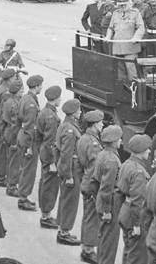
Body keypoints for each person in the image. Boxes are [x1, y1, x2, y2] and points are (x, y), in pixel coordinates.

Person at [116, 134, 152, 264]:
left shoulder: (127, 164)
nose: (149, 151)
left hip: (125, 212)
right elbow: (137, 201)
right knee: (136, 256)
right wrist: (137, 224)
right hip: (134, 216)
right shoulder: (139, 172)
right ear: (141, 151)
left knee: (129, 251)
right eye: (147, 148)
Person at [77, 110, 105, 264]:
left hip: (86, 182)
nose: (102, 124)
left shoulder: (83, 138)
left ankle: (86, 247)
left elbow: (79, 165)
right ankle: (88, 250)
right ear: (94, 125)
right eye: (100, 122)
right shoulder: (93, 143)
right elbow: (95, 168)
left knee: (88, 216)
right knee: (92, 218)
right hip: (92, 185)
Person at [94, 125, 124, 264]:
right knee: (109, 240)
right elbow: (107, 187)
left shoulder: (103, 154)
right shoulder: (112, 160)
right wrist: (107, 210)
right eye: (119, 138)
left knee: (104, 237)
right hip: (110, 204)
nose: (120, 141)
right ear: (113, 141)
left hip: (104, 200)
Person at [55, 99, 83, 246]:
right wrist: (69, 176)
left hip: (68, 168)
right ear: (73, 113)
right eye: (78, 110)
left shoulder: (67, 125)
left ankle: (62, 228)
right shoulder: (70, 130)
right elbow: (65, 154)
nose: (80, 112)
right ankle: (64, 232)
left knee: (65, 199)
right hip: (71, 169)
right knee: (70, 202)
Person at [16, 75, 44, 210]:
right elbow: (30, 126)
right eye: (40, 85)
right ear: (37, 86)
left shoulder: (26, 98)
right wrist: (29, 147)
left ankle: (23, 195)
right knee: (29, 171)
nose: (41, 88)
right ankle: (23, 198)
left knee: (25, 169)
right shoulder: (31, 104)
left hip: (23, 136)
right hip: (29, 140)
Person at [37, 85, 63, 228]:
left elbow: (39, 137)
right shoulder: (52, 117)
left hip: (44, 154)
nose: (60, 100)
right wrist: (53, 161)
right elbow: (51, 142)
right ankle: (46, 216)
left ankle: (44, 213)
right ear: (55, 99)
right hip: (50, 157)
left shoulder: (44, 112)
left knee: (44, 183)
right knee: (50, 186)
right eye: (59, 98)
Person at [105, 0, 144, 82]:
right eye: (120, 5)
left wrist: (136, 38)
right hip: (117, 46)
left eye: (124, 5)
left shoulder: (136, 13)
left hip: (130, 47)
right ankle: (122, 92)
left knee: (131, 71)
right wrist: (108, 36)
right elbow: (111, 28)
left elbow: (141, 27)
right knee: (119, 71)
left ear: (130, 4)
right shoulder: (115, 13)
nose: (122, 7)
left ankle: (133, 91)